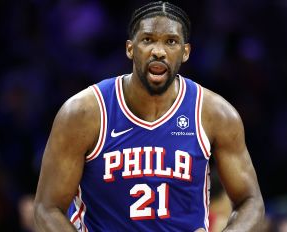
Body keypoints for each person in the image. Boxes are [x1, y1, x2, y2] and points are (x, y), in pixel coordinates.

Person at [33, 1, 264, 231]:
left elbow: (251, 202)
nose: (158, 51)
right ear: (130, 48)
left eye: (171, 41)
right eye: (148, 40)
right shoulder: (83, 113)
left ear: (185, 52)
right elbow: (47, 209)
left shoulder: (215, 114)